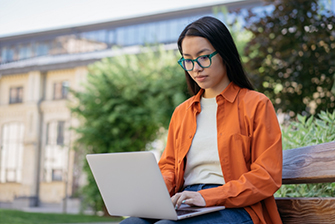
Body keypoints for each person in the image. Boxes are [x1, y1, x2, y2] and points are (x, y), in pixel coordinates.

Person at [121, 16, 283, 224]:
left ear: (224, 54)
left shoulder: (256, 104)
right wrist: (156, 191)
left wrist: (206, 197)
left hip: (238, 207)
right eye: (187, 60)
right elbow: (169, 166)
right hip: (185, 202)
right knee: (131, 223)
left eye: (203, 57)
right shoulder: (182, 112)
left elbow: (266, 176)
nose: (195, 67)